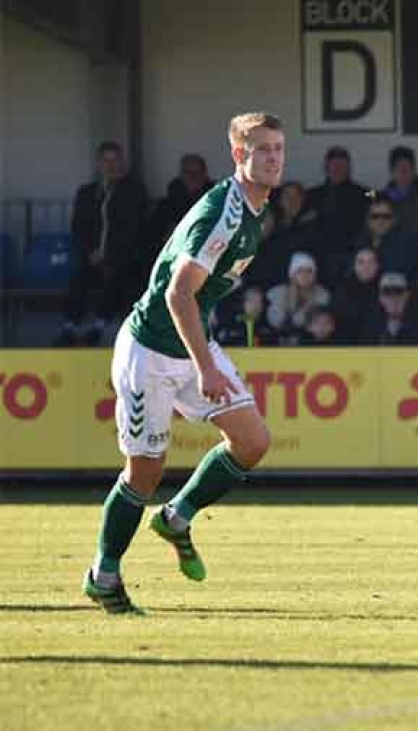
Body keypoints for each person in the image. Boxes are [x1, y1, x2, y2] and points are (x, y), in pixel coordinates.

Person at [83, 112, 284, 614]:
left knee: (253, 441)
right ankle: (103, 575)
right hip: (150, 351)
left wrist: (203, 357)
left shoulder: (256, 209)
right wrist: (207, 367)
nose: (274, 158)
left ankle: (177, 518)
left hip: (190, 346)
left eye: (279, 148)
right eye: (263, 149)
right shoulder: (226, 212)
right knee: (144, 474)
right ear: (239, 155)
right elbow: (177, 294)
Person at [58, 141, 150, 346]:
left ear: (122, 163)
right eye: (106, 160)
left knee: (117, 279)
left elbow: (135, 229)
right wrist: (91, 253)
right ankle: (70, 328)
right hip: (92, 258)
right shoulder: (87, 192)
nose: (110, 165)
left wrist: (111, 256)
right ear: (98, 163)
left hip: (124, 259)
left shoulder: (134, 191)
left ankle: (98, 328)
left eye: (114, 160)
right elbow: (78, 228)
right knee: (78, 280)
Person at [244, 181, 322, 290]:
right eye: (287, 196)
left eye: (296, 196)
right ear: (280, 200)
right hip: (263, 283)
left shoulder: (311, 225)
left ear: (303, 200)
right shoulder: (272, 223)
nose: (291, 200)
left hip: (295, 286)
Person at [304, 146, 369, 257]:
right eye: (334, 165)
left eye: (342, 166)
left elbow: (377, 195)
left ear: (349, 168)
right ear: (326, 167)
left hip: (351, 252)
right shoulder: (311, 195)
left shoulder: (363, 193)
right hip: (318, 253)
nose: (338, 169)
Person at [147, 153, 213, 261]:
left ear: (204, 174)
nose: (193, 177)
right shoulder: (166, 206)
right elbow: (155, 237)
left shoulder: (216, 202)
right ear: (181, 175)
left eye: (197, 172)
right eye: (188, 172)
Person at [359, 271, 418, 345]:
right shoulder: (369, 326)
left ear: (407, 295)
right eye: (387, 291)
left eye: (398, 291)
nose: (393, 297)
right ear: (380, 297)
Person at [355, 194, 418, 281]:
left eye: (386, 216)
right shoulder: (360, 242)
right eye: (375, 216)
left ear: (394, 219)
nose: (380, 221)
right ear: (368, 220)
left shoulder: (406, 243)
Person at [266, 252, 331, 336]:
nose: (305, 275)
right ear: (292, 275)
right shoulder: (276, 293)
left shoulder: (323, 296)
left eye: (309, 271)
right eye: (300, 271)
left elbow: (310, 324)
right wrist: (290, 298)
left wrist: (307, 303)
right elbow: (275, 321)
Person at [382, 146, 418, 242]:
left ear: (414, 170)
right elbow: (366, 193)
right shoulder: (383, 194)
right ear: (391, 171)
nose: (403, 172)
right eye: (399, 168)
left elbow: (417, 227)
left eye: (408, 168)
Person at [332, 247, 380, 344]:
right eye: (361, 262)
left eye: (371, 262)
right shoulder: (342, 291)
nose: (366, 266)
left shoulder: (385, 290)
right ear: (354, 265)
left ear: (377, 266)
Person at [214, 285, 279, 348]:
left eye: (259, 302)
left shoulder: (269, 331)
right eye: (251, 301)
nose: (255, 306)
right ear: (243, 303)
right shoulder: (229, 327)